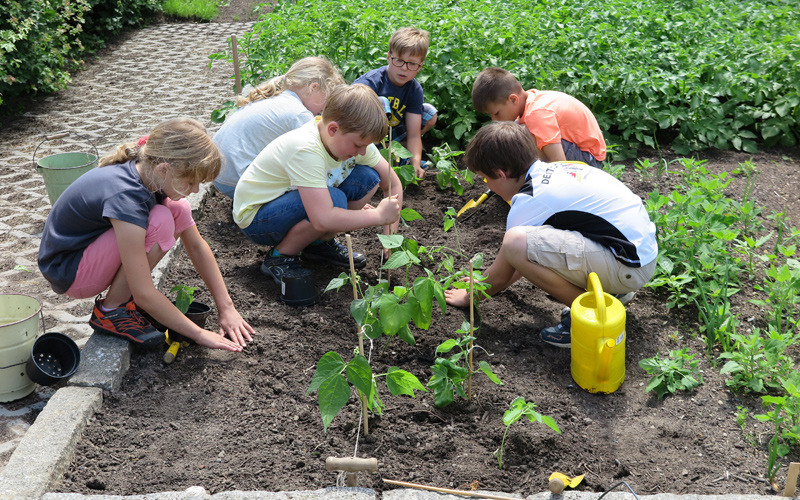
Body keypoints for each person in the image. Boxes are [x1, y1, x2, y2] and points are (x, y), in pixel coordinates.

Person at [38, 118, 255, 351]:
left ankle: (120, 301)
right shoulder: (127, 196)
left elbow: (197, 247)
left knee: (177, 209)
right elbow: (143, 293)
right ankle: (111, 311)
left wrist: (227, 308)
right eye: (191, 182)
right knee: (161, 220)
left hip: (86, 255)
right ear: (164, 169)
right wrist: (200, 334)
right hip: (70, 271)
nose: (195, 190)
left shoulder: (148, 172)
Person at [444, 122, 657, 347]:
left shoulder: (530, 199)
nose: (486, 185)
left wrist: (468, 297)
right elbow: (521, 261)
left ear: (501, 174)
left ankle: (593, 316)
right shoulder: (553, 169)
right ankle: (612, 293)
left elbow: (506, 267)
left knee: (514, 242)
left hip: (627, 267)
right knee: (522, 245)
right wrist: (488, 279)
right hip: (640, 255)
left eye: (486, 179)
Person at [233, 84, 403, 285]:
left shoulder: (352, 137)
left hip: (291, 203)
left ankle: (317, 244)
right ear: (333, 129)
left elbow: (393, 185)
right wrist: (377, 216)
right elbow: (323, 218)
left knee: (368, 177)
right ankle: (279, 257)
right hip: (257, 216)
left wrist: (389, 239)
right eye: (359, 145)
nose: (364, 152)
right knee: (334, 200)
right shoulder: (305, 148)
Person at [212, 56, 345, 198]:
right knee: (331, 196)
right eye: (326, 100)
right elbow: (314, 164)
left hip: (220, 175)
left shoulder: (278, 98)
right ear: (314, 88)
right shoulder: (300, 114)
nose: (323, 110)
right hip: (236, 182)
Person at [472, 67, 607, 168]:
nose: (494, 120)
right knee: (517, 130)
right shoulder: (531, 99)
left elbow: (560, 163)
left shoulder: (537, 115)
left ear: (513, 99)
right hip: (581, 151)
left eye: (496, 113)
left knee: (522, 134)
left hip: (588, 162)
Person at [354, 27, 438, 179]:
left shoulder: (413, 89)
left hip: (393, 134)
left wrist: (415, 164)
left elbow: (413, 135)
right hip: (366, 136)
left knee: (429, 113)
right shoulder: (370, 83)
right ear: (388, 57)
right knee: (381, 102)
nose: (404, 68)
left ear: (421, 66)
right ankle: (374, 158)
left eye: (412, 64)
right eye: (399, 60)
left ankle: (398, 154)